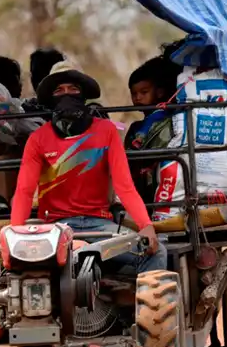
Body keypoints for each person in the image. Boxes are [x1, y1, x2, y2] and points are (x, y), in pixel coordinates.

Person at [11, 64, 165, 275]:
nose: (66, 94)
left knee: (156, 253)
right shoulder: (38, 139)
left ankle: (137, 306)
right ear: (50, 97)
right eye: (59, 90)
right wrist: (14, 234)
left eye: (73, 88)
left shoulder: (106, 131)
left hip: (101, 226)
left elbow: (124, 186)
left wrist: (145, 225)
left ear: (83, 93)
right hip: (56, 229)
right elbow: (24, 191)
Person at [124, 57, 181, 201]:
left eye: (144, 92)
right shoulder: (137, 125)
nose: (138, 98)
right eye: (134, 94)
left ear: (160, 93)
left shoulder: (163, 118)